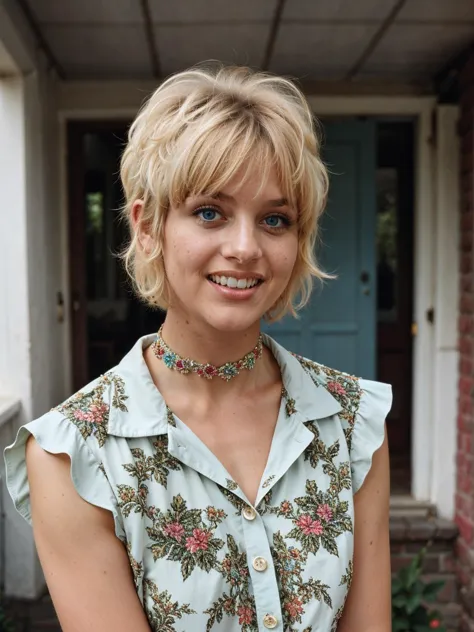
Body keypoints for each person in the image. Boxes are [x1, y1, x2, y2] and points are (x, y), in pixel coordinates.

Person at [4, 64, 392, 632]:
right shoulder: (76, 457)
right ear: (147, 226)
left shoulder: (354, 425)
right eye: (209, 212)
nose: (245, 248)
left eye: (275, 219)